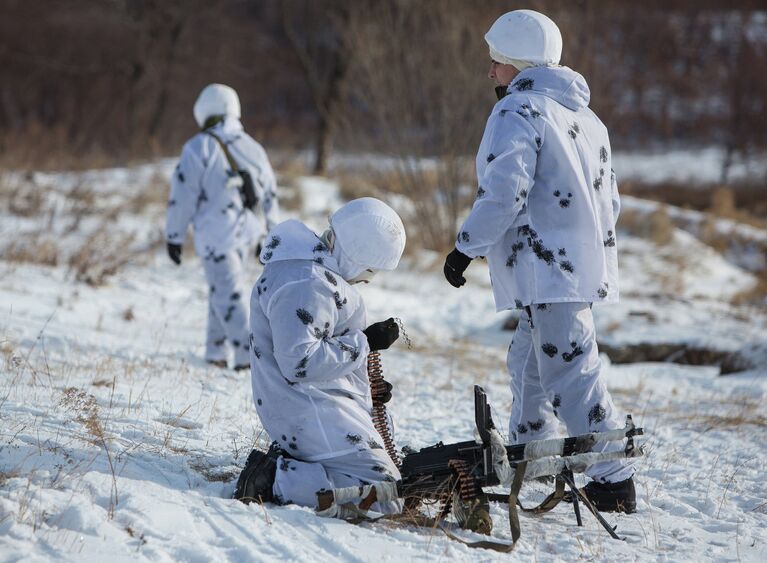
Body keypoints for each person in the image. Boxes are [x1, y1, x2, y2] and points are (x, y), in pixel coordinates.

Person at [443, 10, 636, 513]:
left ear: (518, 64)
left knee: (573, 372)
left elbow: (506, 190)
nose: (490, 74)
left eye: (497, 63)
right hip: (573, 268)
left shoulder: (519, 110)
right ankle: (529, 453)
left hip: (545, 267)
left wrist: (467, 247)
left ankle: (614, 477)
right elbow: (610, 202)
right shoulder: (587, 119)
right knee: (528, 365)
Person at [234, 197, 406, 517]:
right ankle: (276, 479)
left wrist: (366, 386)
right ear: (356, 256)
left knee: (395, 478)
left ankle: (304, 464)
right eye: (370, 269)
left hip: (316, 402)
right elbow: (299, 363)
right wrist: (364, 343)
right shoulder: (306, 281)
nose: (369, 278)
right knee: (387, 498)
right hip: (305, 407)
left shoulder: (314, 273)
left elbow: (321, 346)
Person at [166, 83, 279, 370]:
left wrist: (174, 236)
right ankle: (215, 351)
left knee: (227, 293)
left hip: (216, 236)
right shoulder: (253, 147)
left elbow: (182, 196)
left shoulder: (198, 147)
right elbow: (270, 194)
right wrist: (271, 235)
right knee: (224, 290)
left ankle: (249, 357)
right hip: (247, 233)